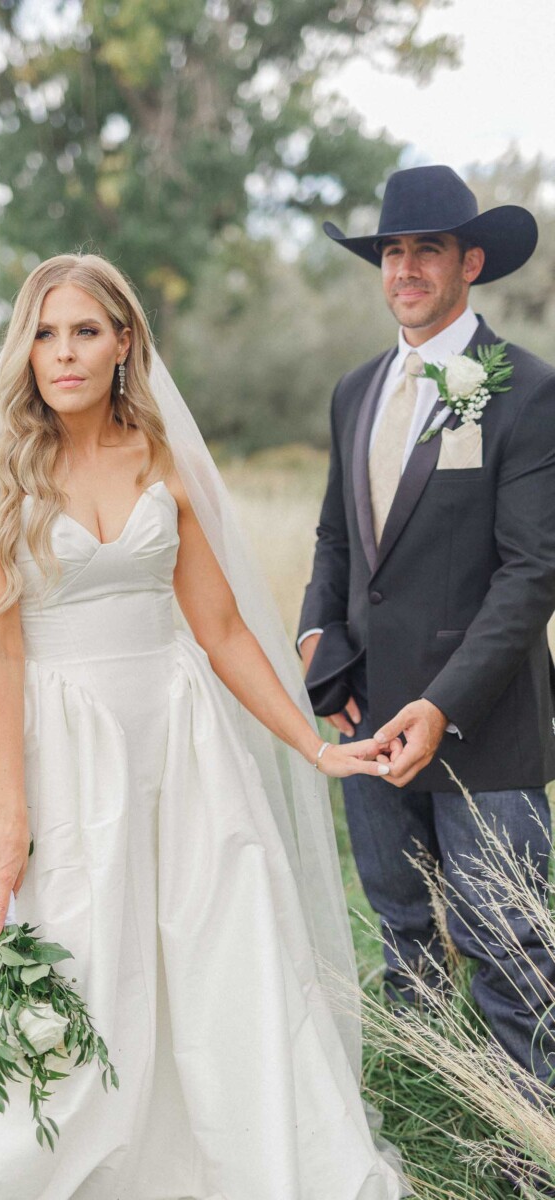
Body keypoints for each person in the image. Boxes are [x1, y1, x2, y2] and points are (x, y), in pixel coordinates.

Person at [0, 254, 406, 1199]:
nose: (64, 353)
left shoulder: (157, 454)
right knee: (87, 960)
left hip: (181, 740)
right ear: (25, 348)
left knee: (222, 946)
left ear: (126, 342)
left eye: (86, 331)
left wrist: (313, 742)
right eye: (45, 333)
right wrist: (8, 811)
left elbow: (217, 629)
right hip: (65, 748)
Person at [299, 164, 555, 1087]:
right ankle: (426, 1108)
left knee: (509, 937)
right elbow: (337, 539)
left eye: (428, 250)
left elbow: (533, 573)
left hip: (481, 724)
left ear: (470, 262)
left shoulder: (523, 389)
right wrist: (319, 654)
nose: (405, 268)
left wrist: (441, 705)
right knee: (403, 927)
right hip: (366, 717)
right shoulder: (354, 390)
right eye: (392, 251)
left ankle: (534, 1134)